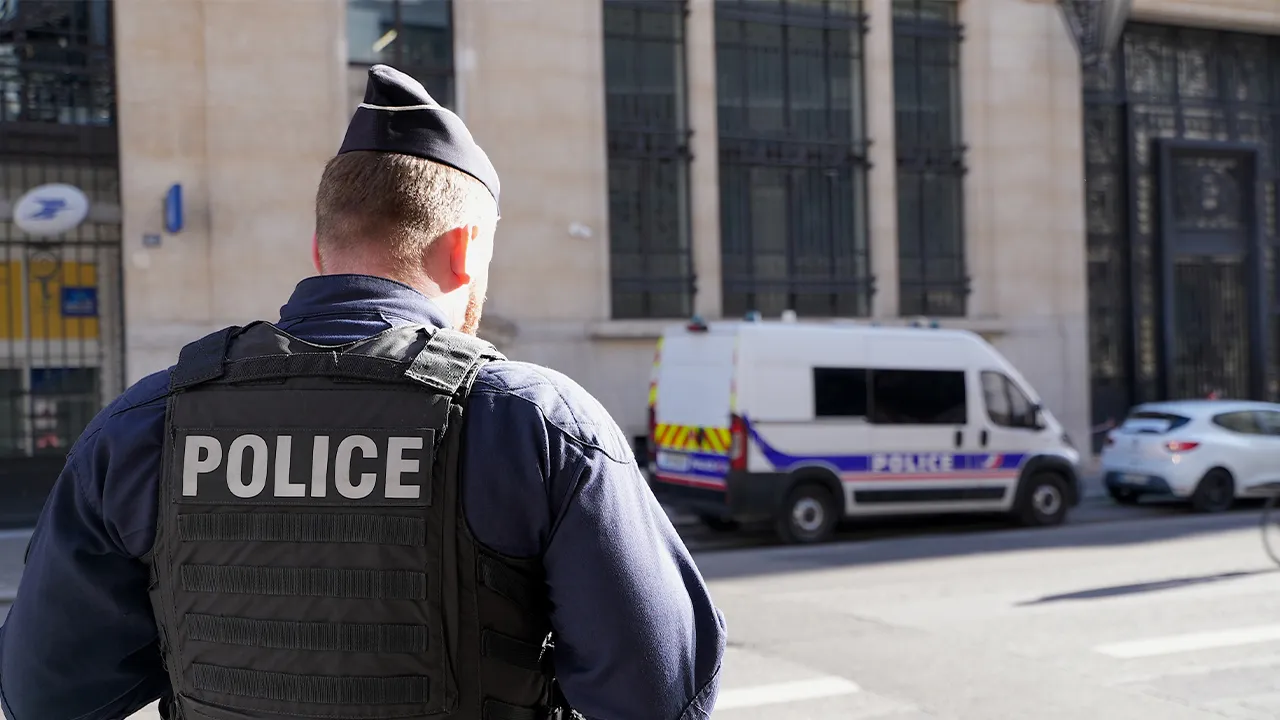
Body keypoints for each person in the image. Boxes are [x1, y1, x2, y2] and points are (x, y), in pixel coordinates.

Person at [0, 65, 725, 720]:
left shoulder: (142, 426)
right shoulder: (537, 427)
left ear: (319, 249)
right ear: (466, 248)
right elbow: (661, 694)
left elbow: (43, 692)